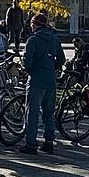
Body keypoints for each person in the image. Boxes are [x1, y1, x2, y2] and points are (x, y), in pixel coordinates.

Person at [19, 13, 65, 155]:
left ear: (36, 24)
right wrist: (52, 68)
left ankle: (31, 144)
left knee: (32, 113)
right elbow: (61, 59)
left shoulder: (32, 40)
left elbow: (27, 62)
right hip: (50, 81)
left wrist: (28, 70)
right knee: (49, 113)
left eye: (32, 23)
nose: (31, 26)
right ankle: (49, 142)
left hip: (36, 81)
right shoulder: (54, 39)